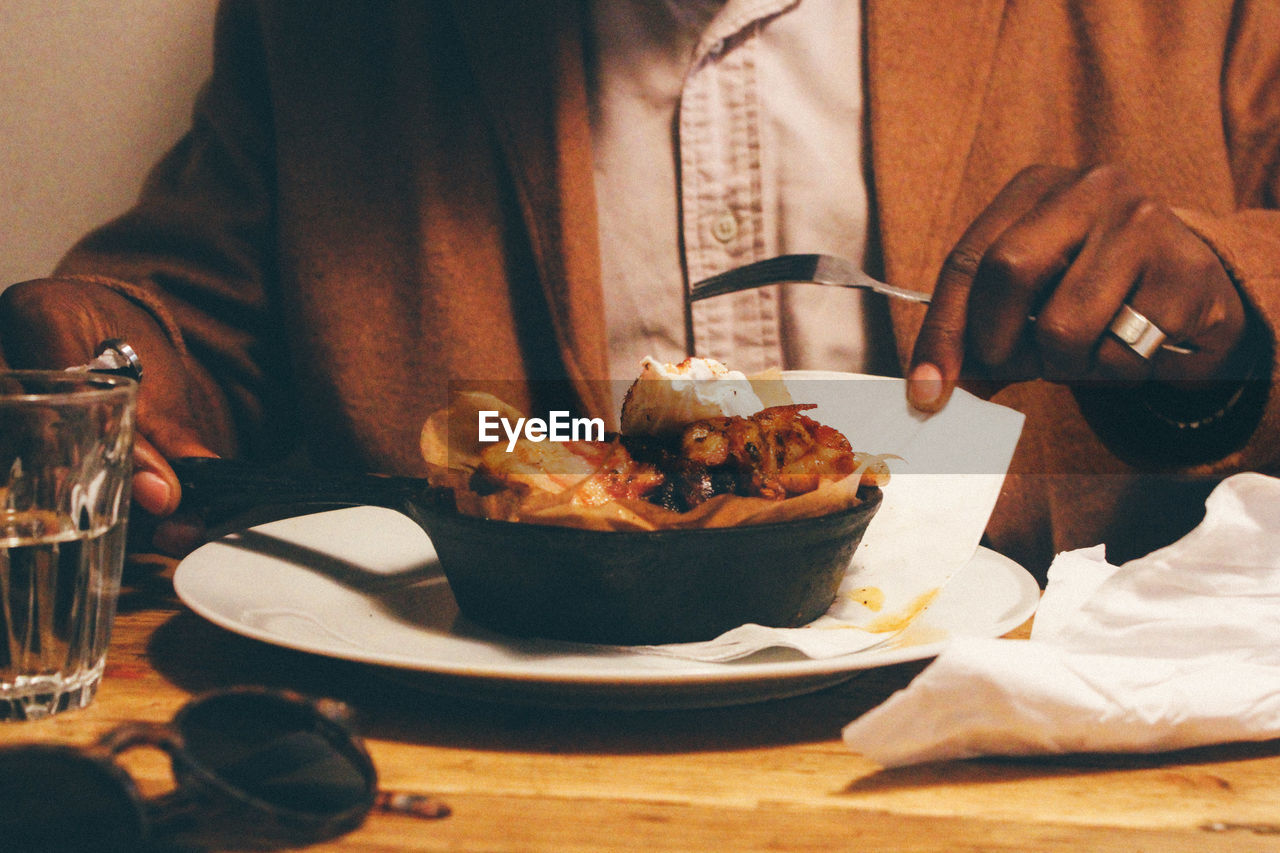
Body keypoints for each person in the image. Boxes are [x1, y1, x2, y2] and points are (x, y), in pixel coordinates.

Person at [1, 0, 1277, 576]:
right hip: (492, 759)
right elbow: (189, 327)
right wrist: (93, 361)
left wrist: (1229, 308)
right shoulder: (334, 21)